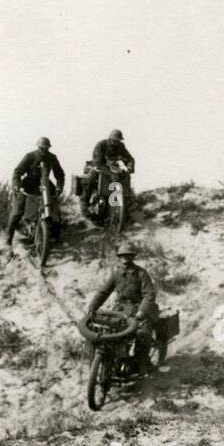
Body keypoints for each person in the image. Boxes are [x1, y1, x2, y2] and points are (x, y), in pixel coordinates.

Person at [86, 241, 160, 373]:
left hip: (138, 307)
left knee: (142, 333)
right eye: (123, 256)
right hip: (120, 308)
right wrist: (93, 306)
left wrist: (141, 312)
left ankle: (143, 362)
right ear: (119, 257)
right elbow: (104, 291)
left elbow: (149, 295)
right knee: (108, 331)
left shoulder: (141, 273)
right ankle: (111, 360)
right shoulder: (116, 273)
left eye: (129, 255)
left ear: (133, 257)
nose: (126, 259)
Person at [5, 137, 65, 251]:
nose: (43, 150)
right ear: (38, 147)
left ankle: (55, 237)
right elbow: (17, 171)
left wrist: (59, 188)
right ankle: (8, 238)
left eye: (46, 148)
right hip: (29, 185)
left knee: (55, 209)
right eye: (41, 148)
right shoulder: (30, 156)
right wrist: (16, 185)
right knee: (17, 212)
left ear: (48, 148)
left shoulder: (52, 158)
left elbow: (60, 174)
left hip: (45, 184)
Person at [80, 130, 135, 213]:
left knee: (125, 178)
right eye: (113, 141)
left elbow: (130, 159)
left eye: (117, 141)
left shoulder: (121, 146)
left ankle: (127, 201)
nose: (115, 143)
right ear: (109, 139)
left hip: (113, 168)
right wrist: (109, 170)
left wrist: (129, 168)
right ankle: (84, 202)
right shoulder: (101, 145)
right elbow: (97, 162)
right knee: (91, 178)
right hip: (98, 167)